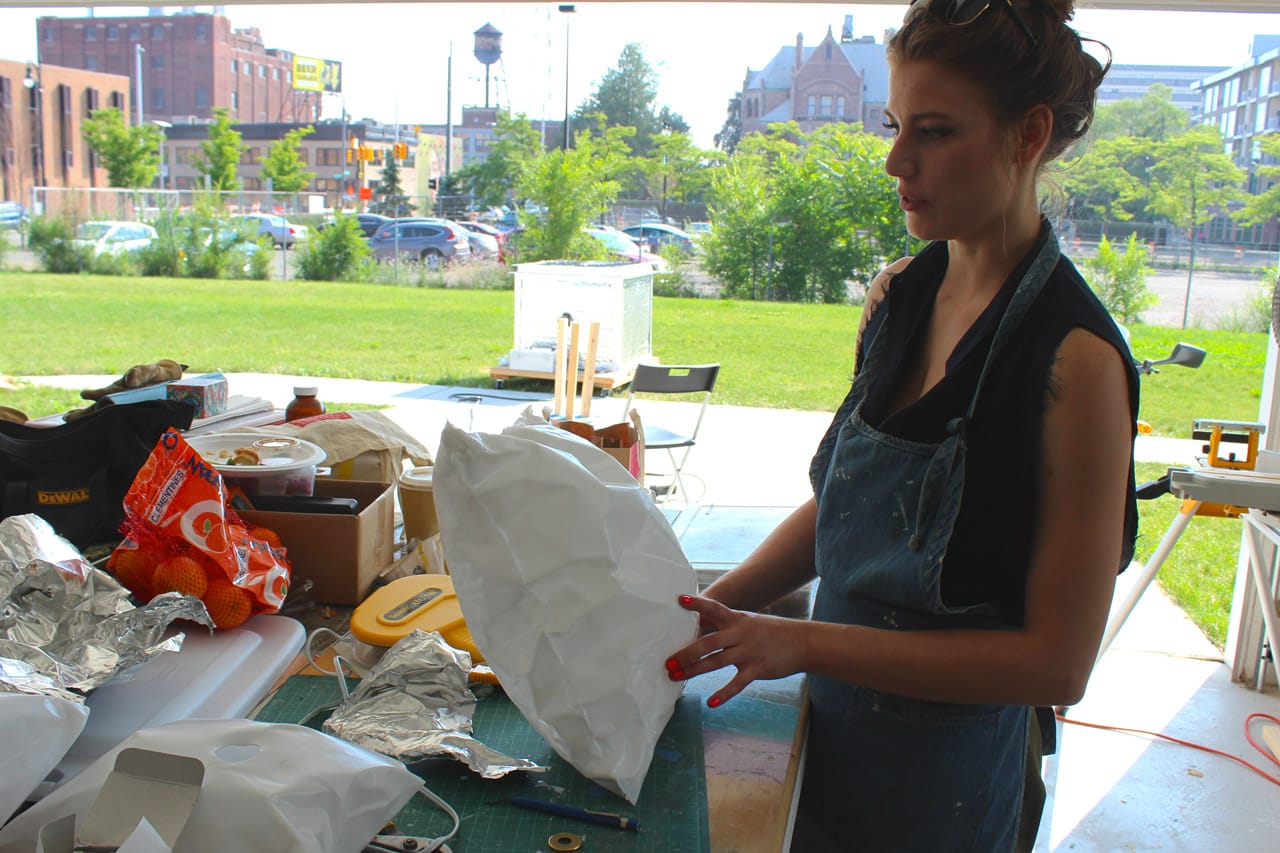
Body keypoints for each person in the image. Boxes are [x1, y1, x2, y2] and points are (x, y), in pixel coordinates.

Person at [662, 1, 1138, 850]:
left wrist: (802, 640)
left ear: (1027, 135)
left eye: (935, 131)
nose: (895, 160)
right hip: (827, 735)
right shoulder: (898, 296)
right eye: (893, 124)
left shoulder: (1077, 362)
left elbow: (1057, 663)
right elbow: (853, 506)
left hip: (941, 780)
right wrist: (711, 611)